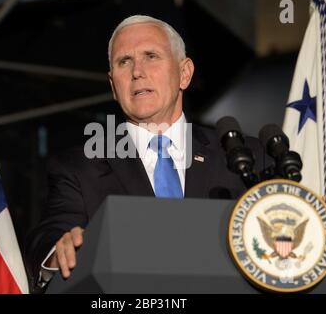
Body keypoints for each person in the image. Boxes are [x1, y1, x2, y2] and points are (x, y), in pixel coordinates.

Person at [25, 15, 265, 289]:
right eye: (124, 62)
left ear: (184, 74)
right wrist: (57, 254)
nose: (137, 71)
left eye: (151, 56)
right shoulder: (80, 168)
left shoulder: (242, 157)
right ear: (114, 85)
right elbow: (48, 237)